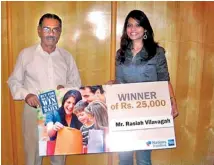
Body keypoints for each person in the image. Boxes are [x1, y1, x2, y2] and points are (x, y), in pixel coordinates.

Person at [7, 13, 81, 165]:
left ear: (60, 32)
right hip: (34, 110)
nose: (51, 34)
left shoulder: (66, 57)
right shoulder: (26, 55)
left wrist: (66, 89)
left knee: (59, 154)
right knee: (32, 155)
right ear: (39, 30)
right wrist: (26, 95)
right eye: (47, 29)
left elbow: (77, 84)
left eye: (55, 30)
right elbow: (14, 81)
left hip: (59, 110)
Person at [108, 10, 179, 165]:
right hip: (125, 112)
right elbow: (120, 82)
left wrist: (172, 101)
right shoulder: (120, 53)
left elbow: (164, 80)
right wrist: (111, 86)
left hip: (148, 112)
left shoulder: (157, 52)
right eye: (129, 25)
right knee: (124, 158)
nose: (133, 29)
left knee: (143, 159)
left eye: (138, 25)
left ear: (145, 29)